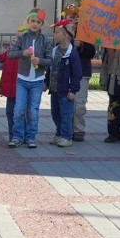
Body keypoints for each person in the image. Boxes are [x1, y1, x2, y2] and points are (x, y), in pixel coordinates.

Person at [7, 8, 53, 148]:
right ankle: (17, 136)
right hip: (22, 80)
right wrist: (23, 52)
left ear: (42, 24)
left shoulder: (45, 40)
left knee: (33, 111)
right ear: (28, 22)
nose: (35, 24)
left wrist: (40, 61)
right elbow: (10, 54)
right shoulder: (23, 37)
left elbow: (50, 60)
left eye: (38, 22)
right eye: (32, 21)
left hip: (37, 81)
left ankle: (31, 137)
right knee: (19, 109)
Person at [61, 3, 95, 143]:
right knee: (65, 102)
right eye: (72, 16)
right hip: (66, 73)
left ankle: (79, 129)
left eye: (77, 16)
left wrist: (82, 45)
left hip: (82, 72)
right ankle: (66, 129)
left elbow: (91, 53)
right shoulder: (62, 31)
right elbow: (57, 51)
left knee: (79, 103)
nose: (74, 19)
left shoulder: (86, 32)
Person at [46, 19, 82, 148]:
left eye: (56, 32)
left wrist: (73, 90)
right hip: (55, 89)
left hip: (66, 91)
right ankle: (59, 133)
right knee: (55, 113)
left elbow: (77, 74)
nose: (54, 35)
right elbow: (50, 68)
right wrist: (46, 82)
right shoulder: (55, 51)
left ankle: (67, 136)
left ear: (65, 35)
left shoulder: (72, 54)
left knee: (66, 115)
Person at [0, 26, 23, 140]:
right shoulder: (8, 53)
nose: (15, 40)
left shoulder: (24, 55)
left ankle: (21, 135)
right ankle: (12, 135)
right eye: (15, 38)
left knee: (20, 114)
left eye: (18, 39)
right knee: (10, 113)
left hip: (21, 89)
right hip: (10, 91)